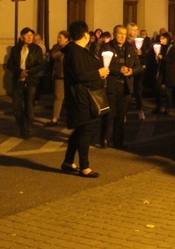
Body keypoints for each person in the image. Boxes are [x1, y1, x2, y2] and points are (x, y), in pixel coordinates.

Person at [61, 20, 109, 178]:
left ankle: (68, 162)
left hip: (83, 95)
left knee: (80, 129)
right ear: (84, 35)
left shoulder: (79, 50)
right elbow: (80, 75)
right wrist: (99, 73)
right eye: (87, 33)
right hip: (80, 97)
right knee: (85, 131)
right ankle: (84, 167)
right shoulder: (75, 52)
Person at [99, 25, 142, 150]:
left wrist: (132, 71)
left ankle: (118, 142)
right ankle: (104, 138)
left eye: (124, 34)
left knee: (121, 116)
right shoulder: (106, 47)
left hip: (126, 87)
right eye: (120, 33)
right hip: (112, 86)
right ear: (114, 34)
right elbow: (103, 65)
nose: (122, 36)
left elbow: (138, 67)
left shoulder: (130, 48)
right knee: (108, 114)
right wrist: (119, 69)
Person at [6, 27, 46, 139]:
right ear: (21, 37)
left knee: (29, 105)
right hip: (18, 80)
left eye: (31, 35)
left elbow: (40, 64)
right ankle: (21, 125)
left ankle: (26, 128)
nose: (30, 37)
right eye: (27, 35)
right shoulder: (15, 49)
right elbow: (10, 64)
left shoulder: (36, 49)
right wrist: (19, 72)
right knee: (17, 106)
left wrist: (28, 72)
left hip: (31, 80)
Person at [47, 30, 70, 126]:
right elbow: (54, 56)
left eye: (61, 37)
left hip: (70, 76)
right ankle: (55, 118)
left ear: (67, 39)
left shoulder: (71, 48)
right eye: (58, 37)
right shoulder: (56, 47)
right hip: (59, 75)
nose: (58, 39)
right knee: (58, 97)